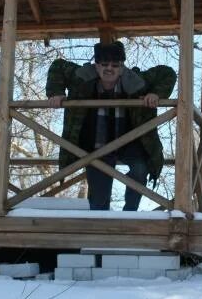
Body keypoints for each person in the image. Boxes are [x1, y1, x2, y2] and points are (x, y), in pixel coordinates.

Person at [46, 41, 176, 211]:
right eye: (104, 64)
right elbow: (58, 66)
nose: (109, 68)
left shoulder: (135, 81)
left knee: (140, 169)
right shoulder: (81, 78)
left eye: (115, 65)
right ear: (96, 65)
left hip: (129, 142)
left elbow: (167, 73)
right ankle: (99, 227)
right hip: (95, 145)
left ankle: (130, 214)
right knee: (99, 199)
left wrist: (155, 94)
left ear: (122, 67)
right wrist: (56, 92)